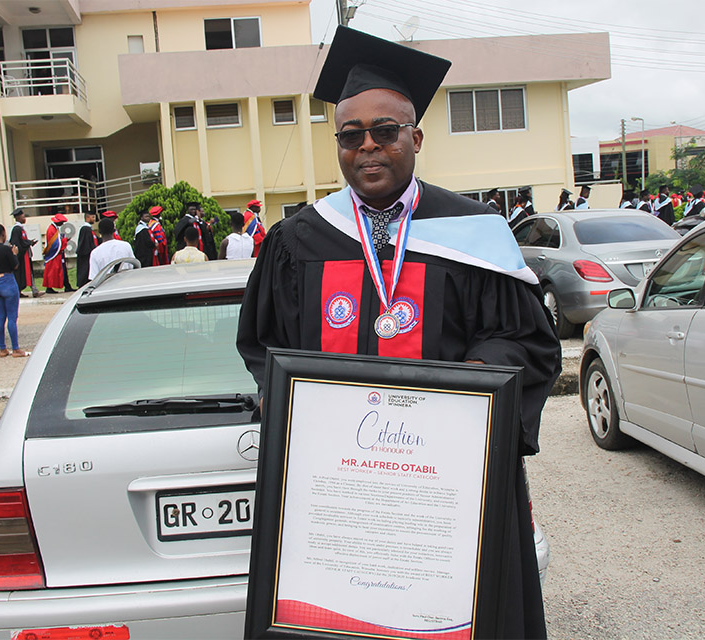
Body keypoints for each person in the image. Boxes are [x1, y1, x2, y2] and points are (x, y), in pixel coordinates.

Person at [237, 26, 559, 640]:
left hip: (447, 486)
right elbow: (263, 345)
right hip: (340, 489)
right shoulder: (298, 240)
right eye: (350, 135)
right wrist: (276, 396)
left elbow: (525, 341)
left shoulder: (474, 234)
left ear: (415, 137)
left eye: (385, 132)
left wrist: (479, 376)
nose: (368, 148)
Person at [0, 222, 28, 358]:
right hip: (8, 282)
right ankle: (15, 349)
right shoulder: (6, 250)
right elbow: (15, 265)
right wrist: (14, 254)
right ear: (3, 234)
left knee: (0, 317)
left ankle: (2, 348)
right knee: (12, 317)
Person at [8, 208, 43, 298]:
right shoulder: (17, 229)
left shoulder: (20, 229)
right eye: (23, 216)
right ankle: (32, 291)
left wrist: (29, 242)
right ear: (18, 217)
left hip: (25, 255)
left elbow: (22, 241)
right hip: (22, 256)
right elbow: (18, 243)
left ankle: (32, 290)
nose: (25, 218)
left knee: (27, 273)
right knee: (25, 273)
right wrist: (29, 243)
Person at [42, 214, 72, 293]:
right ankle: (49, 288)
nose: (63, 224)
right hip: (53, 254)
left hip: (57, 254)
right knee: (52, 272)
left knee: (61, 270)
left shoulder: (55, 229)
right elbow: (54, 244)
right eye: (62, 222)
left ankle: (67, 286)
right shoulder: (51, 229)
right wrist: (65, 241)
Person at [76, 211, 98, 288]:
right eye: (92, 217)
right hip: (86, 254)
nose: (94, 219)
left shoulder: (89, 229)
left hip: (88, 253)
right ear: (87, 218)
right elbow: (86, 243)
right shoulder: (85, 229)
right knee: (84, 271)